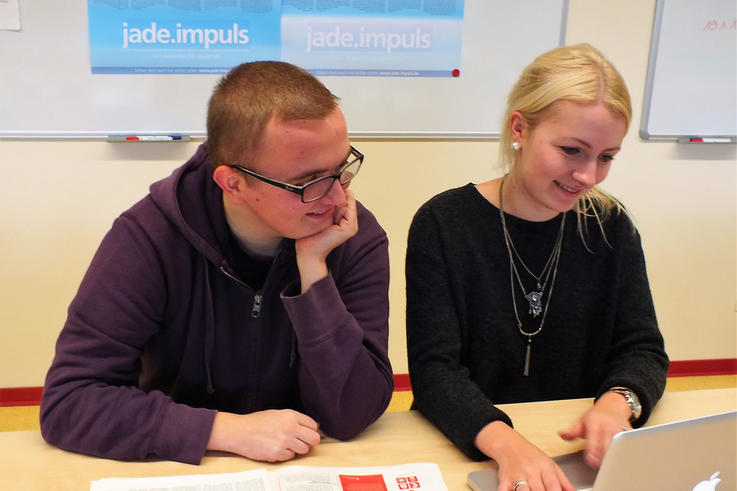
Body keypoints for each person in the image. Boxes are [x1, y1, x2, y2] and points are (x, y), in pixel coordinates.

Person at [40, 61, 393, 465]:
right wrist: (222, 430)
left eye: (341, 169)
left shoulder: (353, 236)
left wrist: (314, 273)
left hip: (305, 463)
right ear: (234, 184)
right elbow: (70, 401)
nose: (335, 199)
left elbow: (353, 412)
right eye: (306, 183)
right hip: (177, 463)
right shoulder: (148, 238)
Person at [405, 44, 669, 491]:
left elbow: (642, 348)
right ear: (520, 128)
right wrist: (509, 445)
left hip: (576, 452)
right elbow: (435, 372)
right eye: (572, 150)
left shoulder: (610, 227)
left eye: (606, 157)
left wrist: (615, 404)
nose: (588, 176)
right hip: (477, 447)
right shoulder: (444, 224)